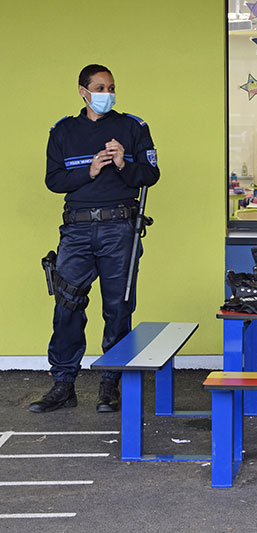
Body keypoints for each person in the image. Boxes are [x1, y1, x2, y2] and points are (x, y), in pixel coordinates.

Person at [29, 64, 159, 413]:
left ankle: (110, 385)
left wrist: (122, 163)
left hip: (120, 228)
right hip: (77, 230)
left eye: (111, 87)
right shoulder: (63, 131)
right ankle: (63, 384)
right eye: (99, 87)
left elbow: (150, 174)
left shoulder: (132, 127)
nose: (107, 93)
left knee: (118, 308)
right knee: (67, 305)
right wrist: (90, 170)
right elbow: (54, 181)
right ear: (82, 91)